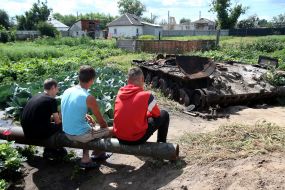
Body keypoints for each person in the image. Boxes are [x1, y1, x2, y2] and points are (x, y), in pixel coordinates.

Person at [61, 65, 113, 168]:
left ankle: (86, 157)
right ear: (92, 80)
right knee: (112, 129)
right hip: (80, 135)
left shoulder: (67, 91)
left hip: (66, 131)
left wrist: (85, 115)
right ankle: (98, 153)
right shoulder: (88, 97)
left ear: (78, 78)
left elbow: (70, 110)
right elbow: (102, 122)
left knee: (88, 126)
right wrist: (104, 129)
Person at [113, 67, 169, 145]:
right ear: (142, 79)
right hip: (136, 139)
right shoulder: (147, 95)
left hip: (119, 137)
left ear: (128, 80)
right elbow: (157, 114)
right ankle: (162, 146)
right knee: (164, 114)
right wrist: (147, 115)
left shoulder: (120, 92)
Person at [21, 79, 66, 158]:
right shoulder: (51, 100)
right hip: (37, 133)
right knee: (62, 126)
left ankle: (49, 149)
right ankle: (53, 149)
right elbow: (58, 122)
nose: (58, 91)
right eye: (57, 88)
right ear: (53, 88)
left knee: (51, 125)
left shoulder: (36, 96)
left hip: (25, 131)